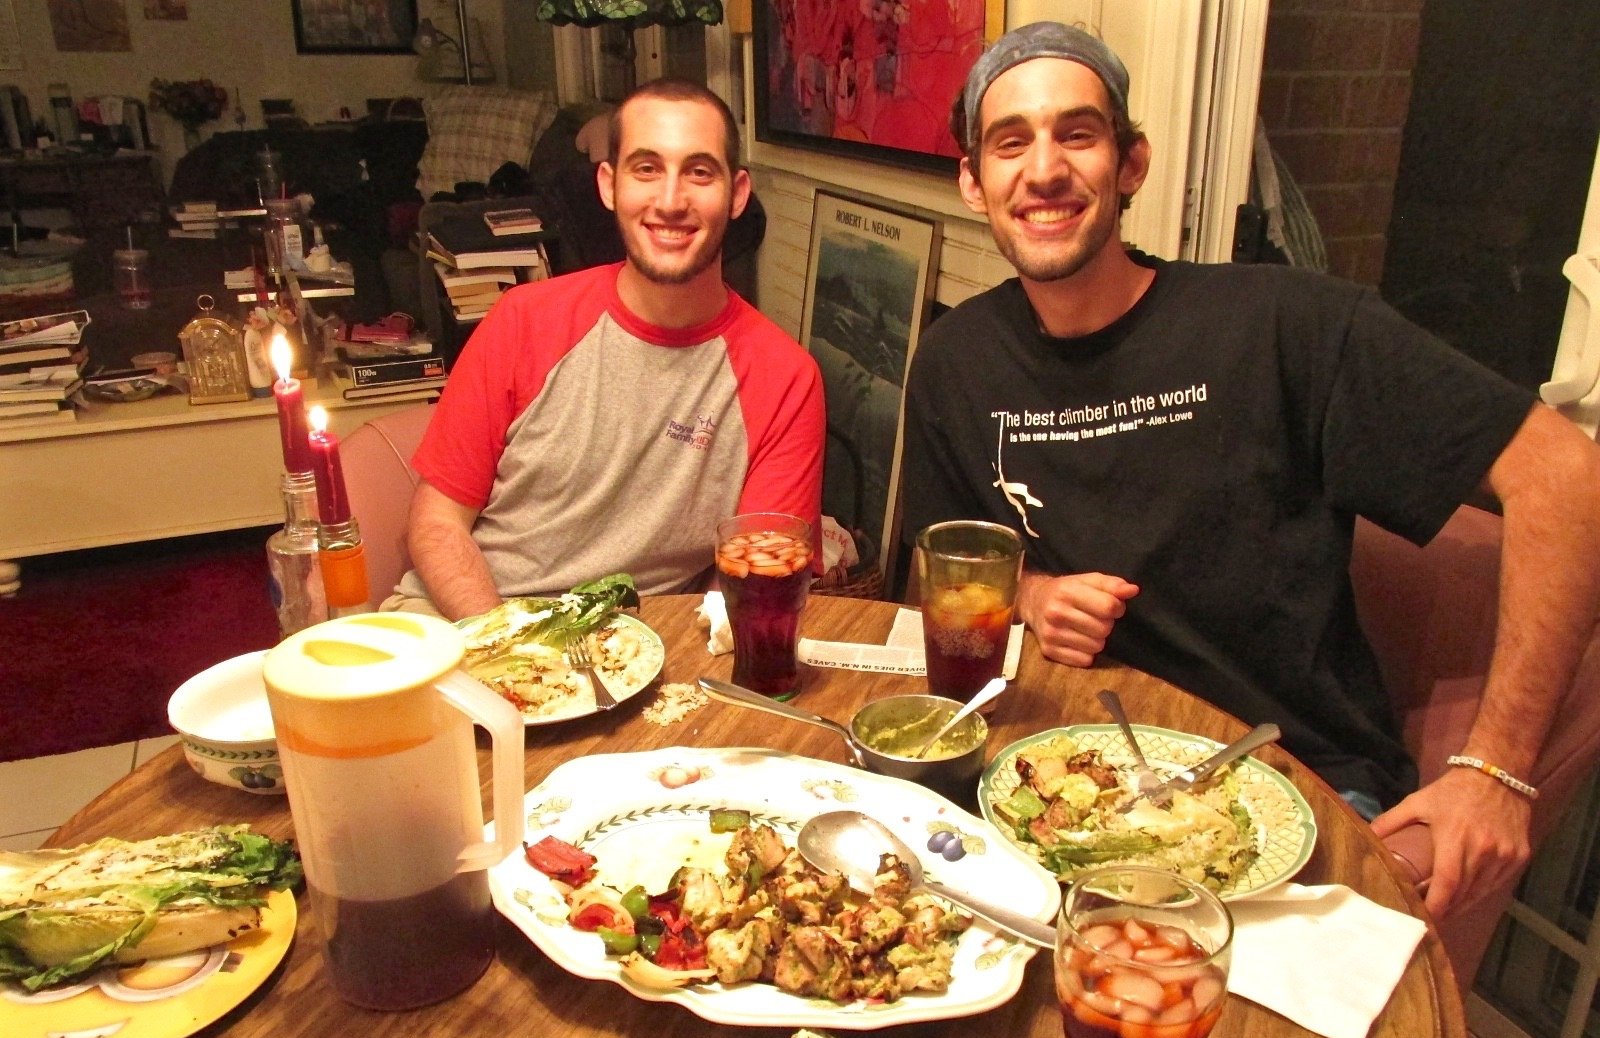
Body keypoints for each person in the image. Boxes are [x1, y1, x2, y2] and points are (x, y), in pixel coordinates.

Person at [903, 22, 1600, 978]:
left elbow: (1566, 474)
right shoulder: (955, 360)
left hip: (1289, 793)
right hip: (1060, 785)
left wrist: (1499, 774)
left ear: (1132, 163)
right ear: (974, 182)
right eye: (1010, 141)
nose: (1046, 169)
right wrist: (1029, 592)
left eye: (1079, 133)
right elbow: (938, 567)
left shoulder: (1286, 323)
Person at [393, 79, 825, 619]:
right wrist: (507, 649)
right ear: (609, 185)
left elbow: (751, 587)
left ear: (737, 194)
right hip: (465, 620)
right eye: (646, 169)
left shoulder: (785, 379)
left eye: (699, 172)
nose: (671, 201)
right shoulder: (523, 320)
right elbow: (436, 523)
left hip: (636, 647)